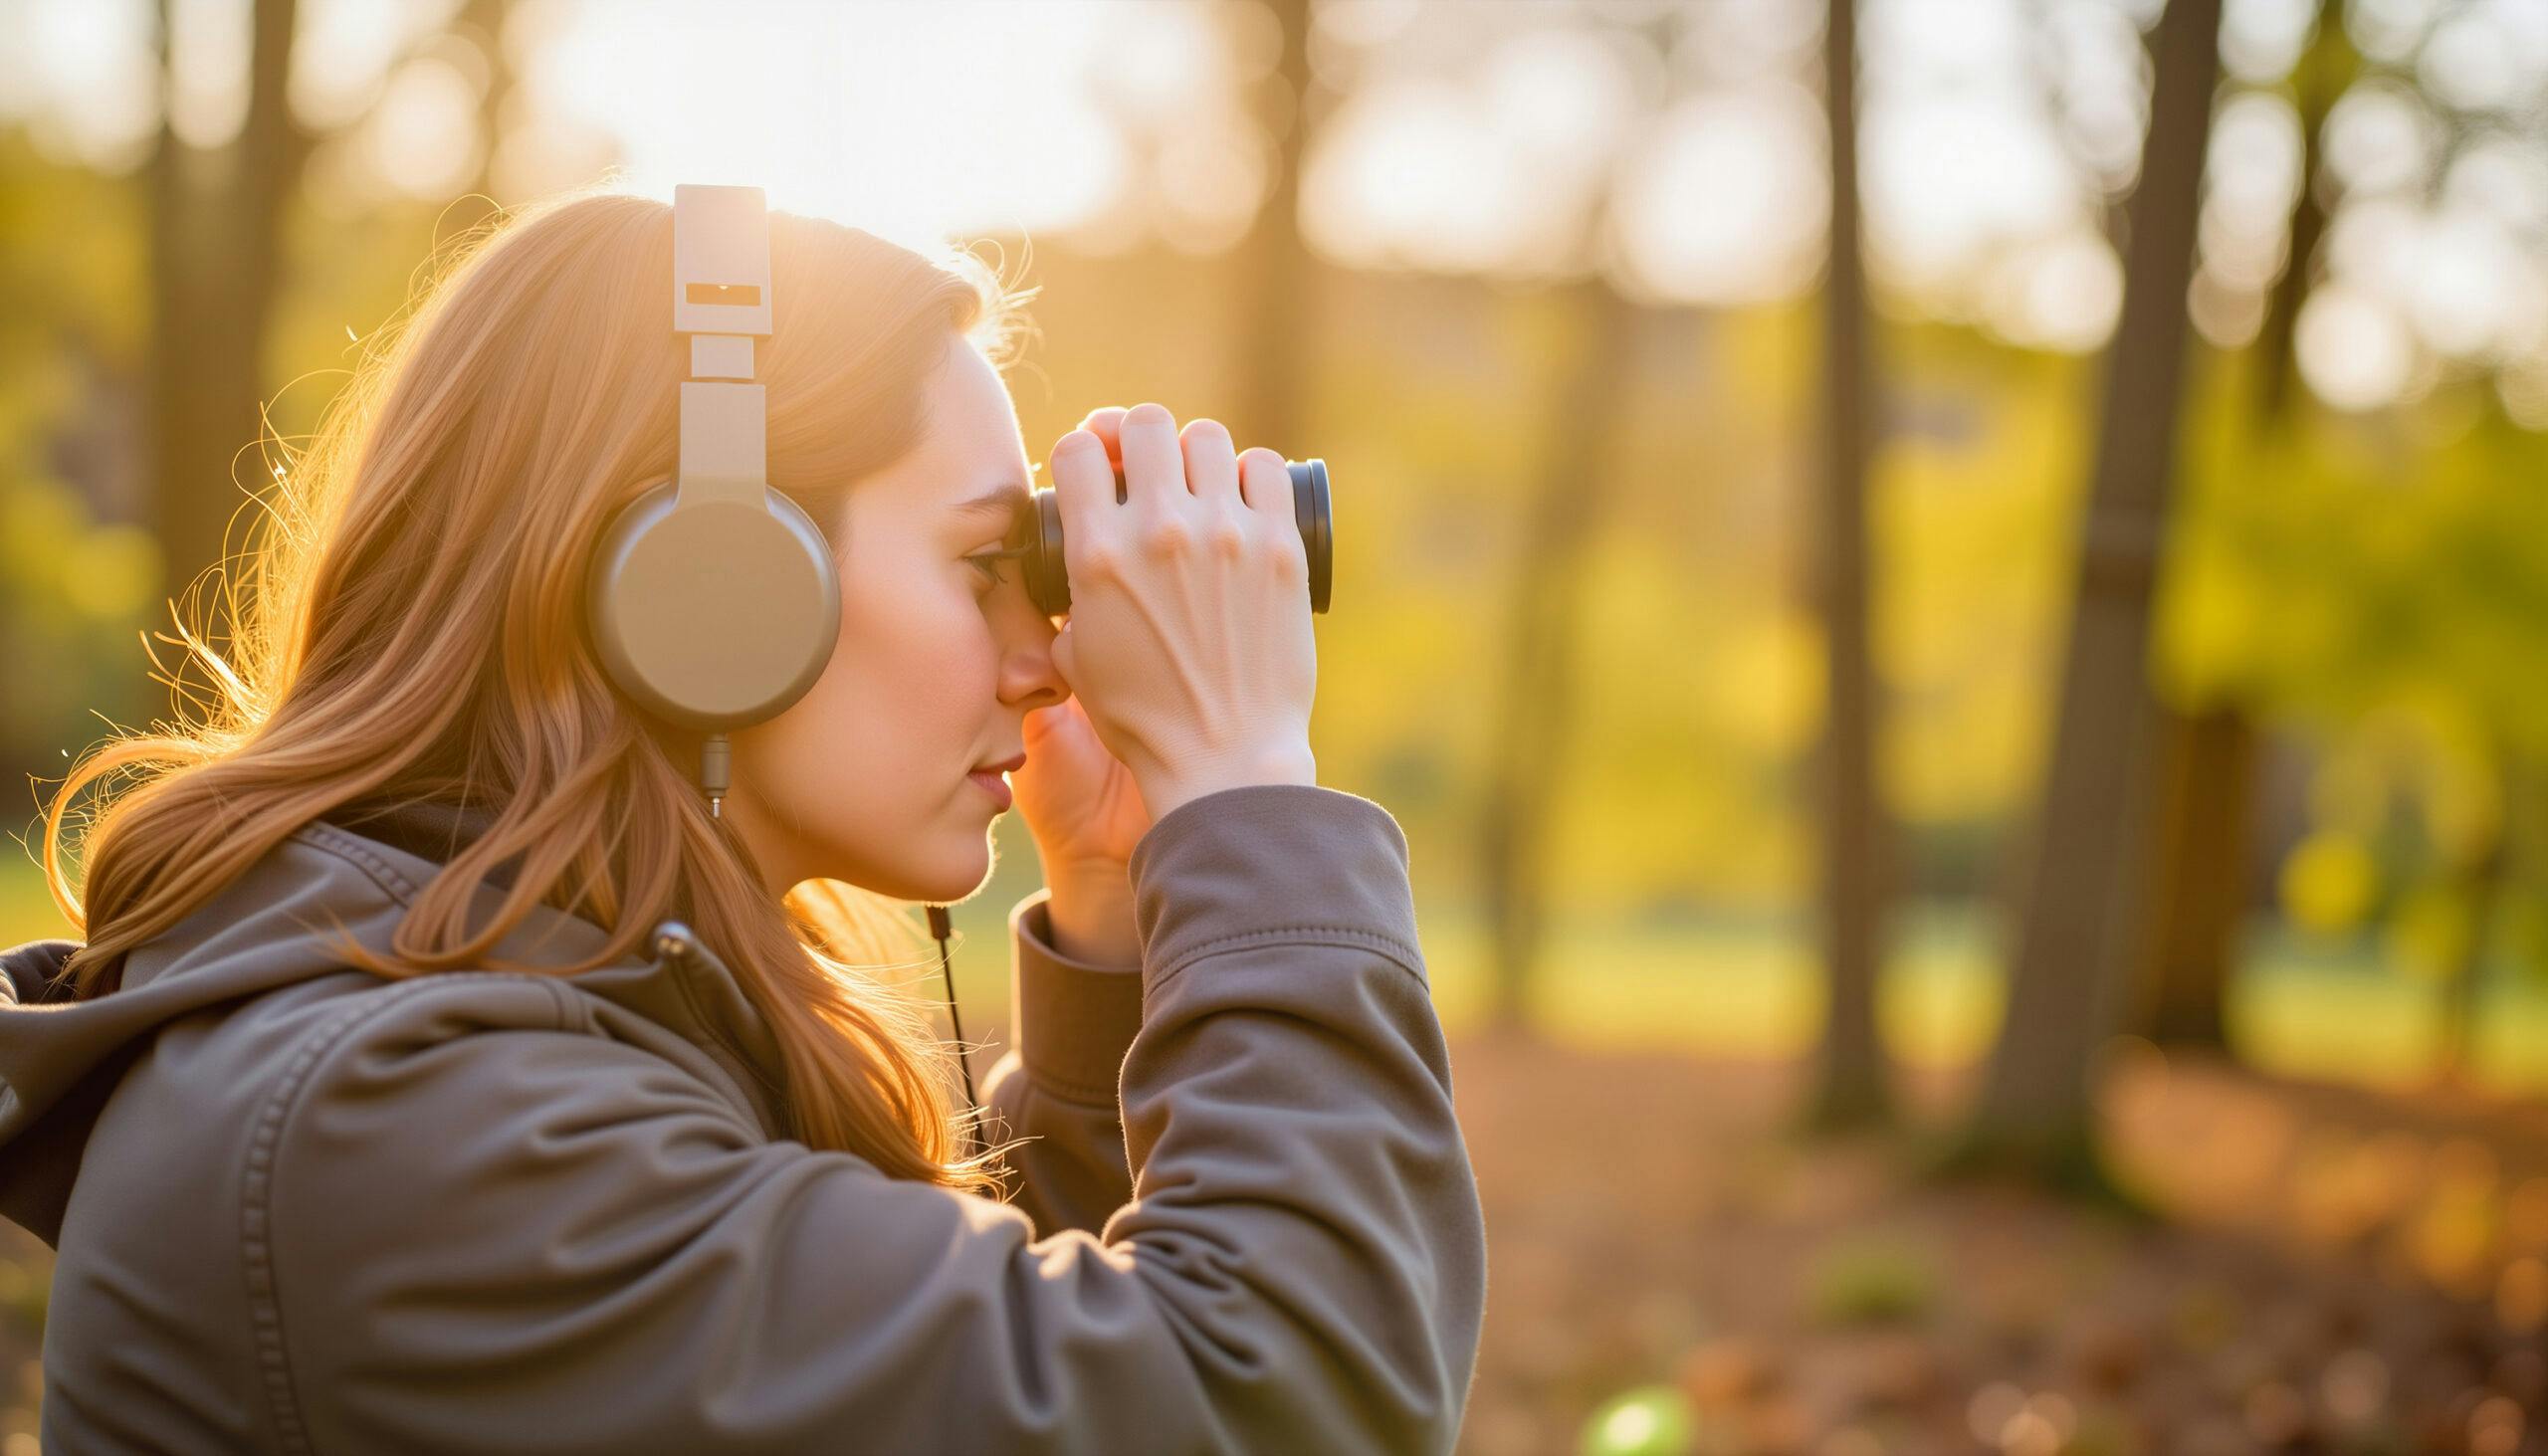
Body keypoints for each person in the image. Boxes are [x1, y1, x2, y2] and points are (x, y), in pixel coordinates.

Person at [0, 189, 1486, 1453]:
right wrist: (1242, 789)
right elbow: (1279, 1402)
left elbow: (988, 1377)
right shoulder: (399, 1127)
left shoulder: (519, 1016)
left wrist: (1113, 914)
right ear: (706, 597)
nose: (1048, 660)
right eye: (985, 564)